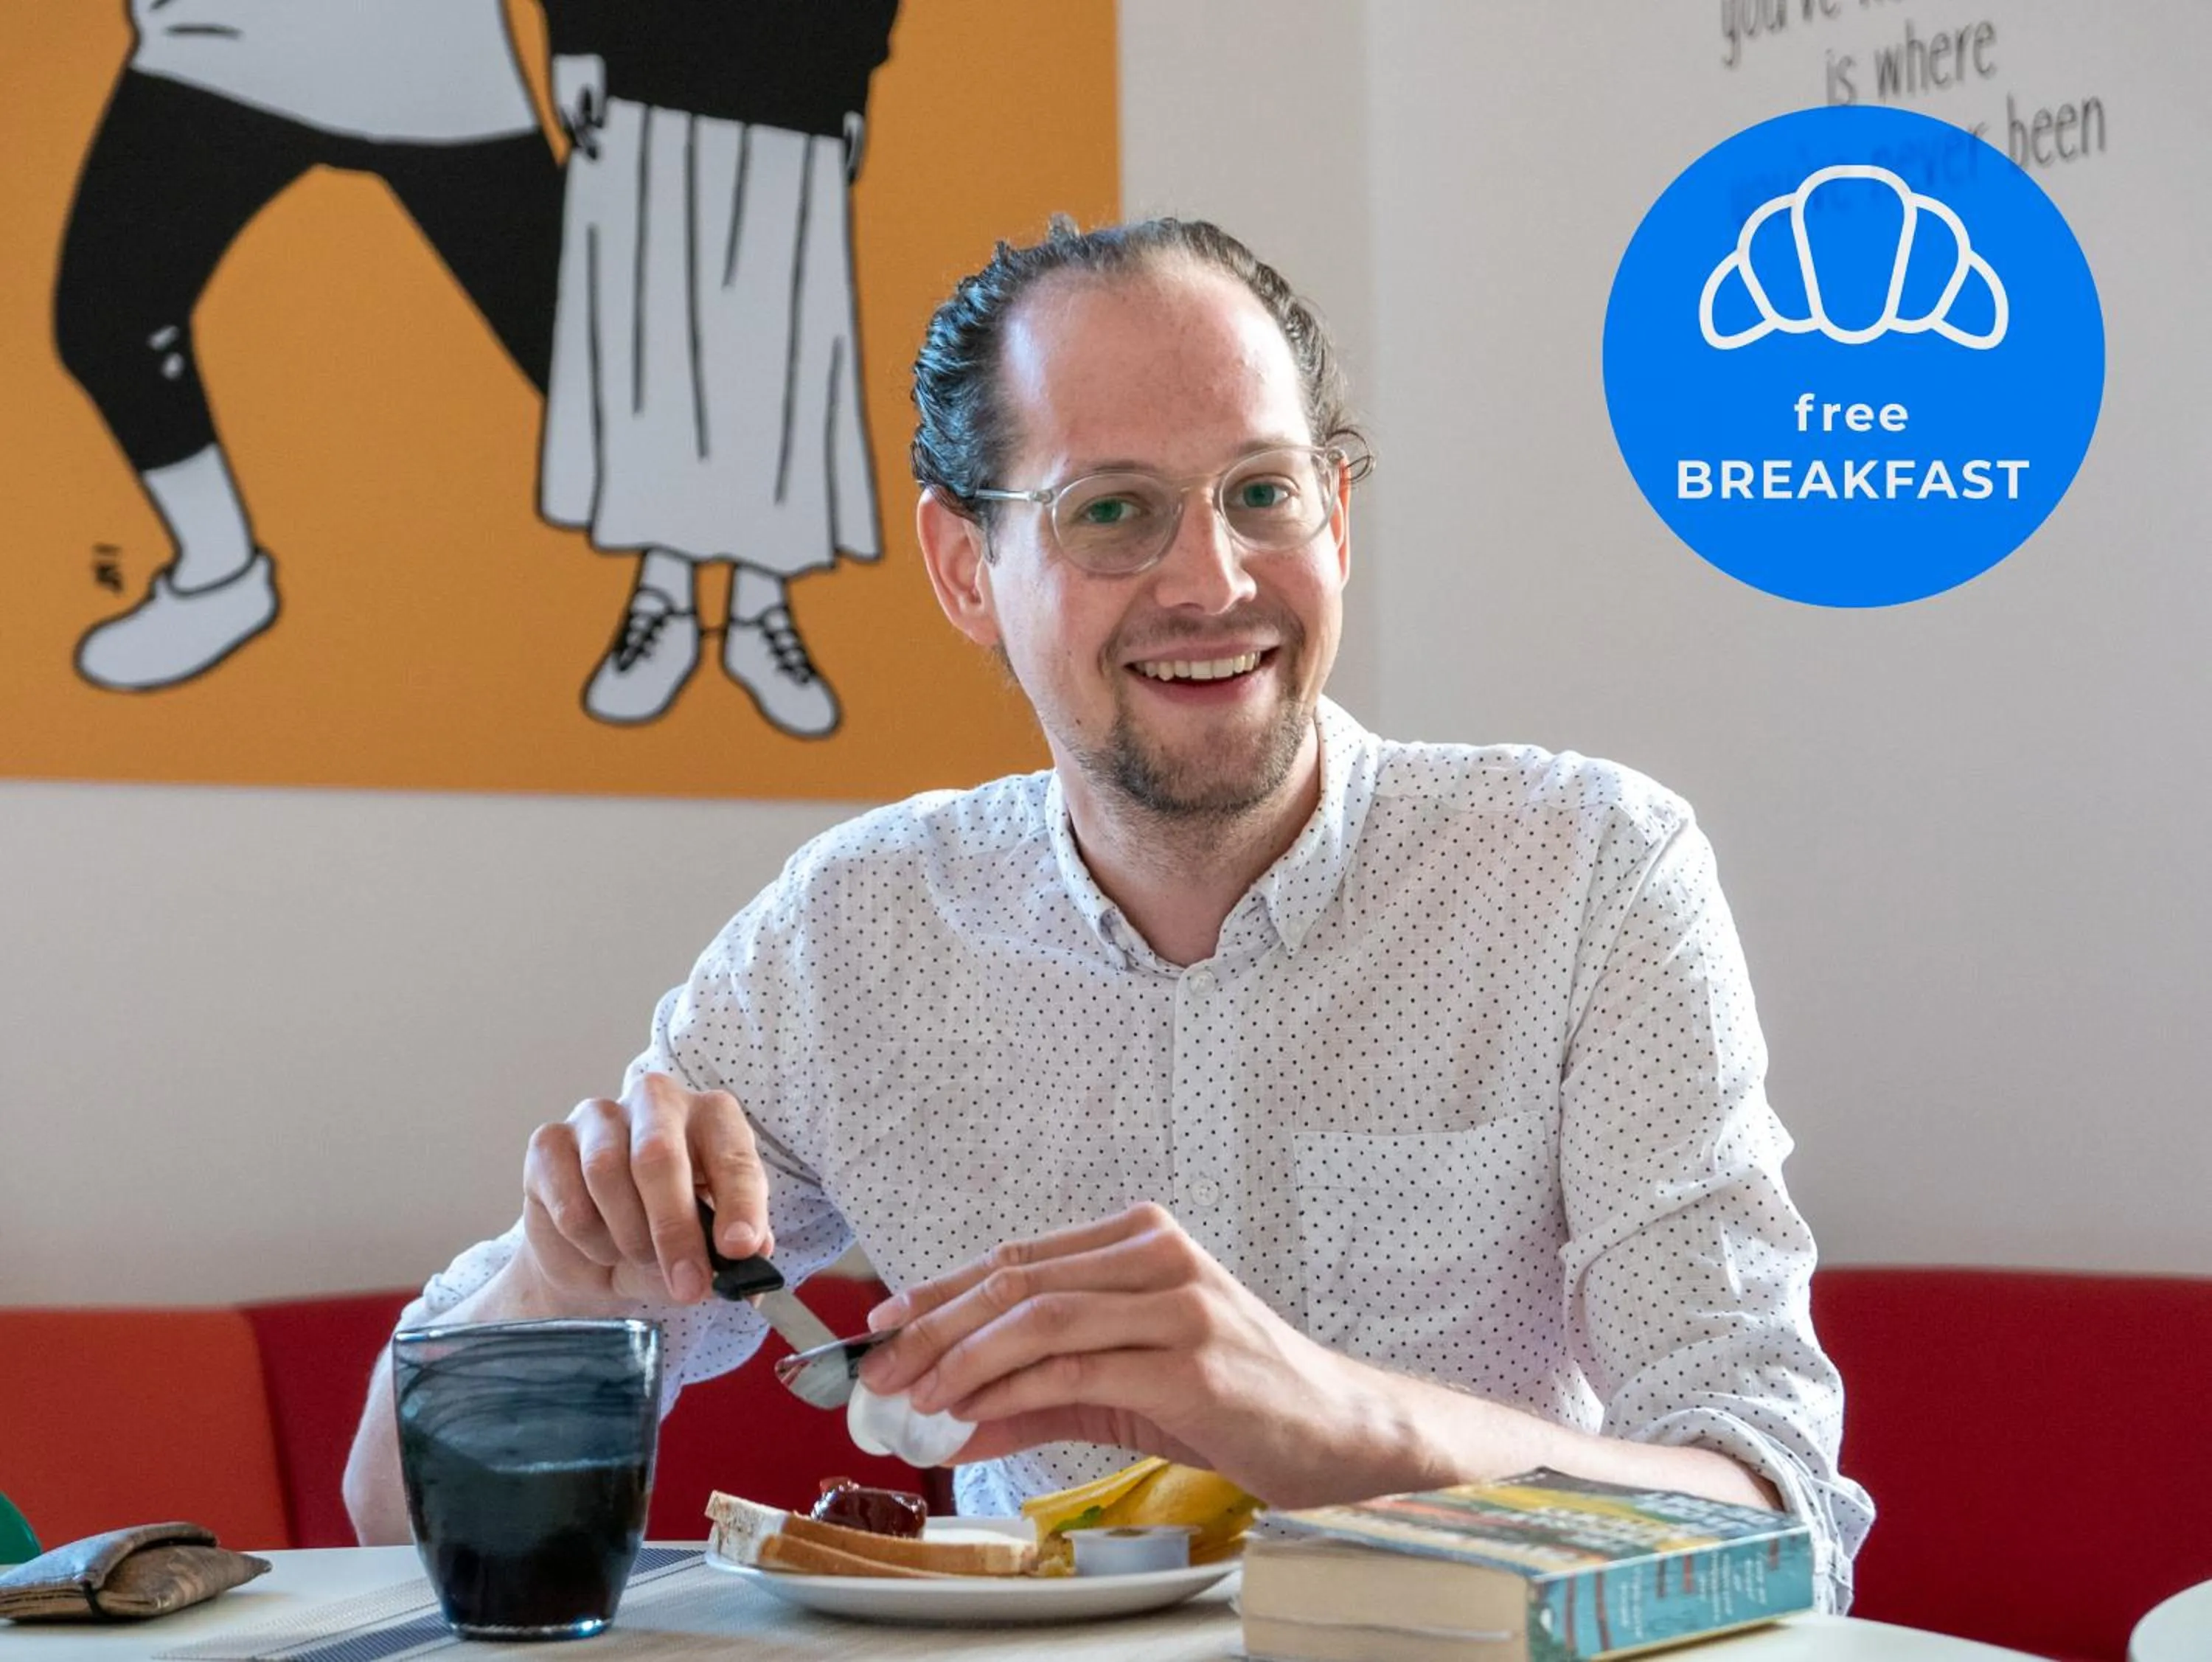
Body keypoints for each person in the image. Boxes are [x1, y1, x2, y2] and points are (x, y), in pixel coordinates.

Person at [343, 217, 1874, 1608]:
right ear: (964, 564)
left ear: (1335, 513)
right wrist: (564, 1276)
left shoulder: (1589, 872)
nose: (1212, 581)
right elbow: (379, 1512)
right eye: (1114, 511)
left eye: (1263, 493)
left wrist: (1319, 1412)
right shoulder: (849, 940)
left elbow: (1781, 1518)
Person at [57, 0, 561, 692]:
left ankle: (719, 586)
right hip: (217, 42)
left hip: (431, 67)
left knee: (583, 363)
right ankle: (217, 574)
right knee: (107, 318)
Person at [537, 1, 897, 730]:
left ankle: (760, 605)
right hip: (641, 55)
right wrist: (575, 35)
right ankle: (663, 592)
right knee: (654, 340)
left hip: (797, 76)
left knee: (775, 349)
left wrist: (850, 77)